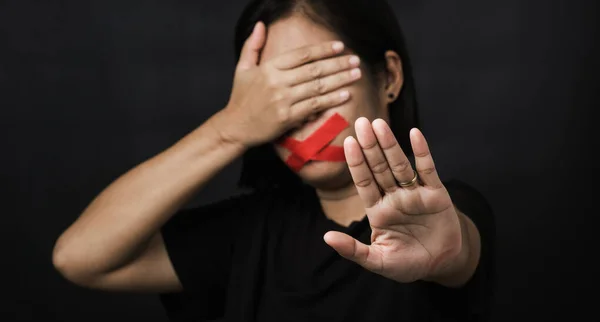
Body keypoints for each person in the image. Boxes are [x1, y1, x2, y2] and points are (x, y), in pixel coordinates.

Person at [52, 0, 495, 321]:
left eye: (314, 86)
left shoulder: (443, 216)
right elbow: (79, 257)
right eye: (275, 99)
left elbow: (457, 246)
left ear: (390, 78)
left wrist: (452, 251)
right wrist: (230, 128)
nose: (297, 119)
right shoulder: (249, 233)